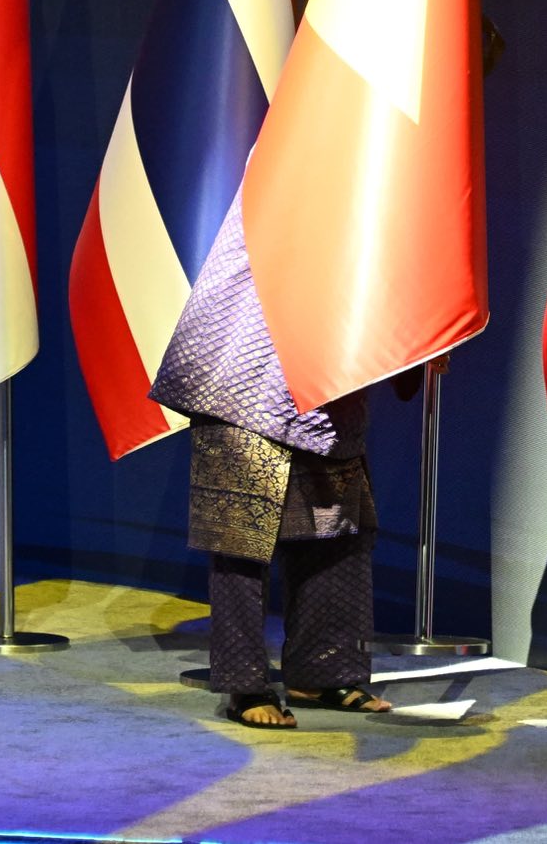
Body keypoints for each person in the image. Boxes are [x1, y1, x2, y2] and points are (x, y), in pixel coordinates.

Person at [148, 195, 400, 729]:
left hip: (328, 377)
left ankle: (323, 673)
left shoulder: (368, 175)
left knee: (336, 534)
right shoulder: (292, 163)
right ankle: (245, 684)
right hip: (242, 373)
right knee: (242, 542)